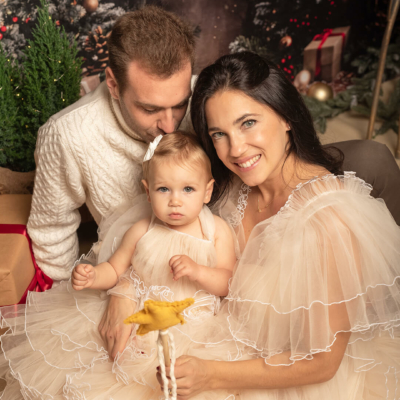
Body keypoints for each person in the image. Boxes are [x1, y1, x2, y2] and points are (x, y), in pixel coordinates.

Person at [26, 4, 400, 364]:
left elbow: (249, 137)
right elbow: (53, 237)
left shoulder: (209, 100)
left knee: (372, 158)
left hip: (227, 238)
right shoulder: (66, 136)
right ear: (112, 83)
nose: (171, 125)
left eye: (180, 104)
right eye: (150, 109)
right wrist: (118, 288)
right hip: (147, 270)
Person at [156, 52, 400, 399]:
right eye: (219, 134)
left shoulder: (328, 220)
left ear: (286, 116)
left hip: (289, 377)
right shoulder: (230, 187)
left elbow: (322, 362)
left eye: (248, 123)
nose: (236, 149)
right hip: (219, 339)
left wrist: (211, 375)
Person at [0, 131, 236, 399]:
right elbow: (115, 269)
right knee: (110, 375)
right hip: (139, 318)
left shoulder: (215, 231)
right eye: (163, 189)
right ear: (148, 192)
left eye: (188, 189)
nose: (175, 200)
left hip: (193, 326)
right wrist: (92, 276)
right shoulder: (141, 230)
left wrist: (198, 271)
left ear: (207, 191)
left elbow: (227, 282)